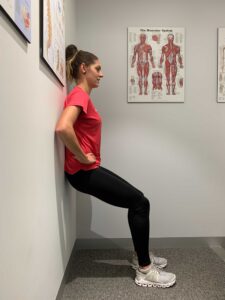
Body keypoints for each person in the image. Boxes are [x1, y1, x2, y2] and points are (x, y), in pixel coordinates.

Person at [55, 44, 176, 288]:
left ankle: (141, 258)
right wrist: (80, 155)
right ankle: (145, 270)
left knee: (138, 201)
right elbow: (62, 128)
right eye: (97, 69)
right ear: (83, 68)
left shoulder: (81, 95)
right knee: (140, 202)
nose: (101, 74)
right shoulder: (79, 94)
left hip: (84, 170)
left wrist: (82, 156)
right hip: (82, 172)